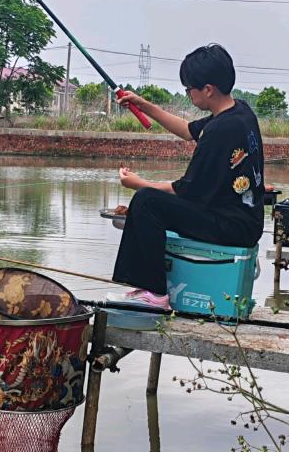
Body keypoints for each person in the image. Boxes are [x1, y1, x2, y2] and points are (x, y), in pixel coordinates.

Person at [109, 43, 265, 309]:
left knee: (147, 202)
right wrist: (143, 104)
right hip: (244, 221)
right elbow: (187, 130)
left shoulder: (221, 131)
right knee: (150, 199)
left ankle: (154, 294)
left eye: (189, 89)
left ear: (208, 89)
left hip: (231, 227)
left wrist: (136, 183)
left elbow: (184, 190)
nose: (188, 94)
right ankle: (148, 288)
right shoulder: (238, 111)